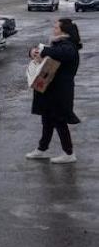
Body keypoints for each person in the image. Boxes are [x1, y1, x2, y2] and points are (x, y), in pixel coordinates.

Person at [26, 19, 81, 164]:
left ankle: (69, 153)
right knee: (47, 121)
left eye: (56, 27)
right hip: (50, 91)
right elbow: (48, 52)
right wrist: (33, 52)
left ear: (63, 31)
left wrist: (42, 50)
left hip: (61, 92)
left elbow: (60, 53)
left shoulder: (69, 46)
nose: (53, 29)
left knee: (59, 121)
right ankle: (41, 149)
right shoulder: (58, 44)